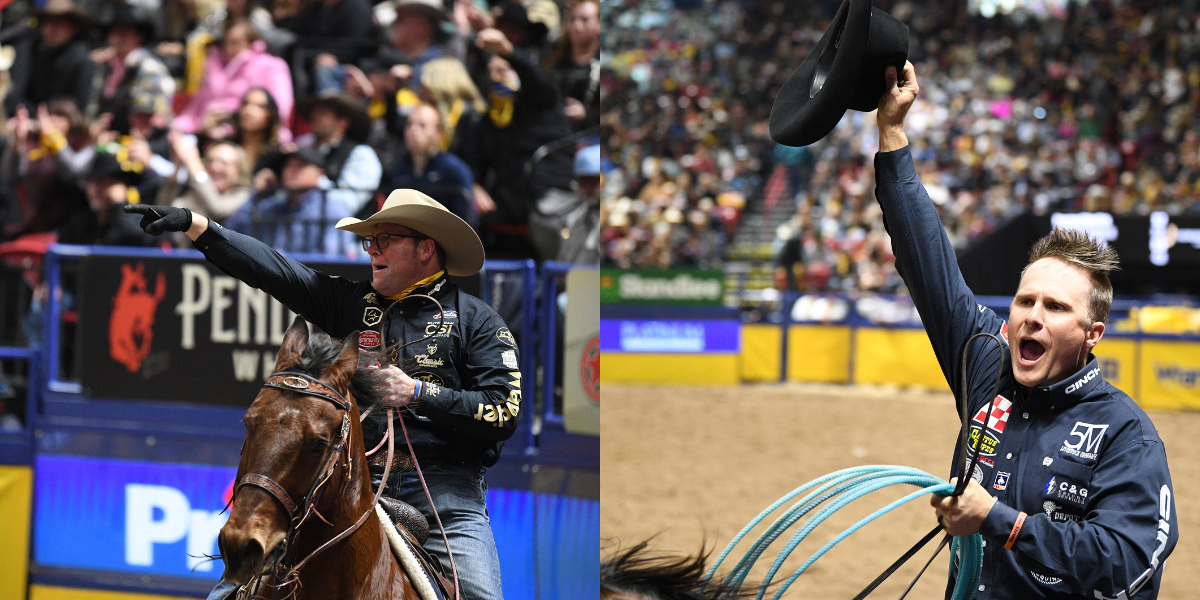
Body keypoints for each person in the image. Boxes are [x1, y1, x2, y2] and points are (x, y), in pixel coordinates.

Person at [874, 61, 1177, 599]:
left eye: (1056, 307)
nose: (1032, 316)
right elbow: (928, 265)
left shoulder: (1126, 434)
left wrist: (1001, 521)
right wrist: (892, 134)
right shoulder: (986, 360)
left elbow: (1129, 563)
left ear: (1093, 333)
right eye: (1024, 301)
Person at [126, 187, 518, 600]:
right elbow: (275, 270)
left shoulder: (478, 322)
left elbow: (504, 411)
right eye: (371, 240)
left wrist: (419, 392)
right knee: (234, 588)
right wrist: (196, 224)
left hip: (447, 496)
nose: (373, 250)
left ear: (425, 249)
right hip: (349, 483)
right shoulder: (351, 302)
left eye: (386, 239)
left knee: (480, 596)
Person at [172, 19, 294, 143]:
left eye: (235, 43)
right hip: (208, 132)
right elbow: (197, 105)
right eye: (225, 43)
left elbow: (281, 105)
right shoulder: (213, 66)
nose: (229, 49)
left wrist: (231, 126)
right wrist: (185, 127)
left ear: (251, 43)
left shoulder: (270, 66)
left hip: (251, 134)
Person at [225, 147, 355, 256]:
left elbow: (332, 261)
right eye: (288, 165)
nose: (291, 171)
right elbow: (232, 232)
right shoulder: (271, 207)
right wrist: (256, 194)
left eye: (300, 166)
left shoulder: (333, 211)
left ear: (320, 174)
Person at [88, 3, 175, 136]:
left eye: (126, 33)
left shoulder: (150, 67)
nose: (119, 37)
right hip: (106, 136)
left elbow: (148, 116)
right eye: (116, 32)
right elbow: (94, 105)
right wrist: (95, 125)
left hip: (141, 137)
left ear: (139, 36)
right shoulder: (106, 67)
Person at [294, 91, 383, 217]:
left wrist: (317, 181)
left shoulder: (361, 155)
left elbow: (349, 203)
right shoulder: (299, 147)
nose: (315, 117)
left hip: (346, 235)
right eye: (313, 113)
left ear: (343, 122)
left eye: (323, 113)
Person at [4, 0, 97, 117]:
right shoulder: (36, 52)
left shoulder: (82, 61)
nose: (50, 28)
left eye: (58, 23)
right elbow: (16, 96)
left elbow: (78, 108)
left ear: (73, 28)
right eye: (47, 22)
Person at [390, 103, 474, 226]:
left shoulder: (455, 171)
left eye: (422, 126)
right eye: (409, 124)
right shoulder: (397, 169)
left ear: (439, 134)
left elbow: (467, 223)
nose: (413, 130)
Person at [542, 0, 600, 132]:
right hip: (549, 128)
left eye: (585, 20)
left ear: (599, 25)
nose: (576, 26)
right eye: (572, 19)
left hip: (585, 136)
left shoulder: (600, 65)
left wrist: (586, 115)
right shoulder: (552, 57)